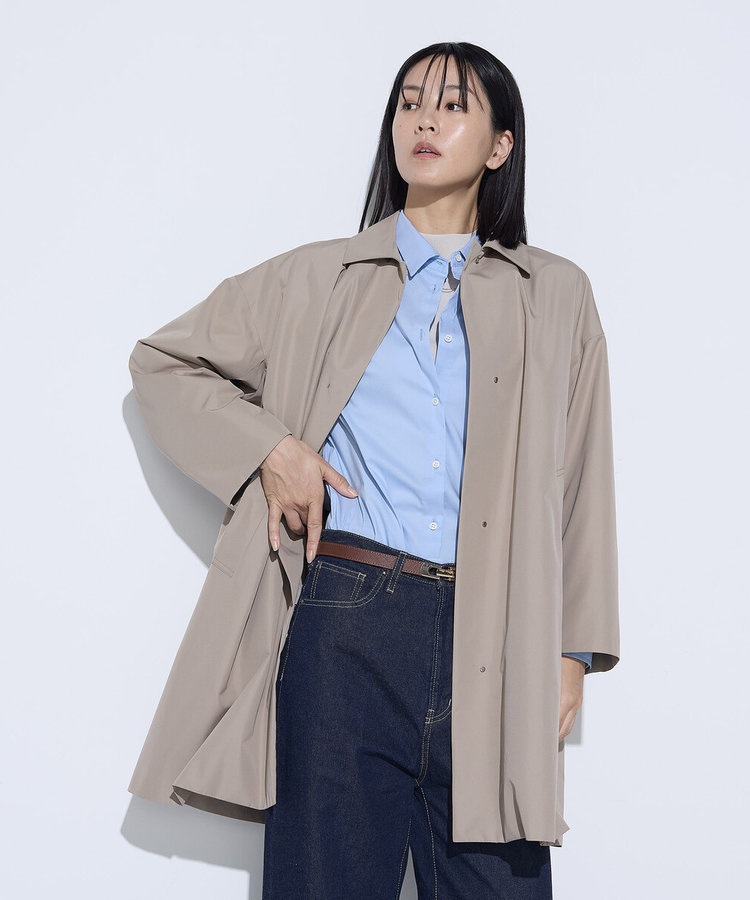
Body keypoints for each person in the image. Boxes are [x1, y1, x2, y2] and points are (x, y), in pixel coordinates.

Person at [128, 41, 620, 900]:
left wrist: (571, 653)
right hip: (347, 623)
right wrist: (271, 450)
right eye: (409, 102)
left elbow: (582, 478)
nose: (425, 119)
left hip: (499, 634)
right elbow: (164, 363)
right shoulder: (317, 277)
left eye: (454, 105)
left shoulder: (556, 294)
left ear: (501, 145)